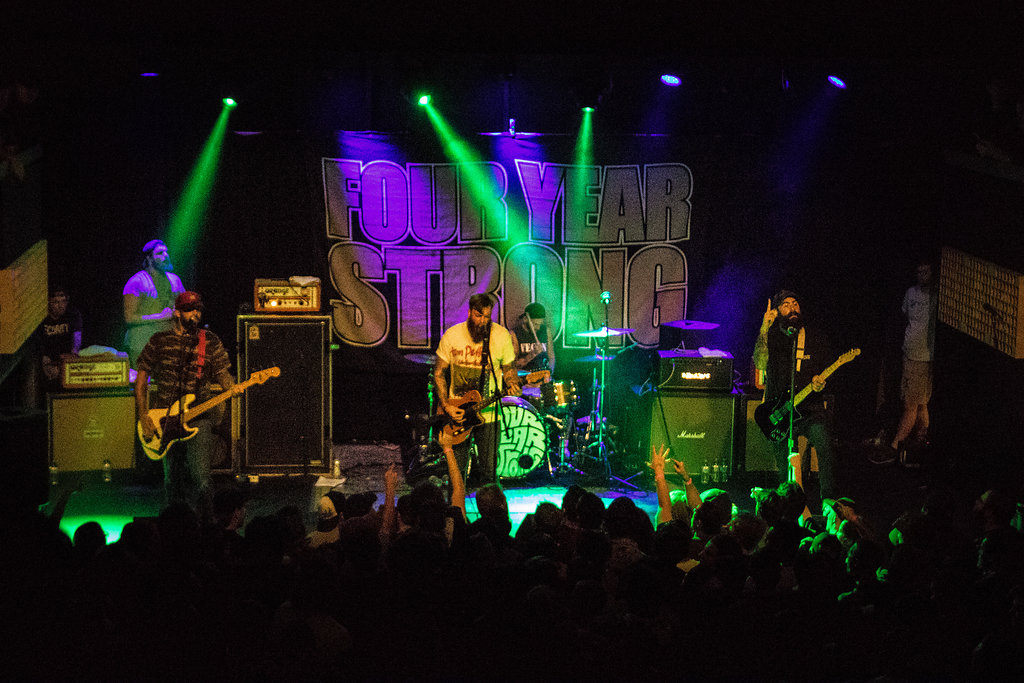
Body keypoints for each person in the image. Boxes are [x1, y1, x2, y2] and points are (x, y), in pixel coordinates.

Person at [135, 291, 236, 515]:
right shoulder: (159, 340)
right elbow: (141, 381)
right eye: (190, 309)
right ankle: (175, 523)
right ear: (177, 313)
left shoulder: (209, 341)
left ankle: (207, 523)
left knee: (201, 478)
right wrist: (143, 415)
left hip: (198, 417)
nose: (196, 314)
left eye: (199, 309)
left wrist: (235, 388)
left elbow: (223, 376)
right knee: (172, 479)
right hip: (165, 419)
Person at [752, 290, 839, 504]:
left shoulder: (815, 337)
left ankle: (828, 500)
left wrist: (821, 382)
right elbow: (760, 362)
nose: (792, 308)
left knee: (824, 444)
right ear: (777, 311)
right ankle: (787, 502)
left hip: (810, 408)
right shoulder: (771, 336)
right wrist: (764, 327)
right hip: (780, 410)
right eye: (786, 305)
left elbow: (827, 370)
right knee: (784, 462)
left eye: (795, 304)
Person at [434, 293, 520, 486]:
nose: (482, 321)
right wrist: (446, 406)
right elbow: (438, 373)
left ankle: (491, 506)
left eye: (486, 317)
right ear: (469, 312)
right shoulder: (452, 335)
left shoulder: (501, 336)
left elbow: (509, 369)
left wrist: (512, 382)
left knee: (489, 473)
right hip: (458, 414)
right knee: (456, 473)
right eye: (478, 315)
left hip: (489, 415)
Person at [873, 260, 937, 464]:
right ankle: (921, 440)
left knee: (911, 405)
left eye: (926, 271)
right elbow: (906, 315)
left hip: (923, 357)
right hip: (909, 353)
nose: (922, 275)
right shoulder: (910, 293)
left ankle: (895, 446)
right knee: (920, 403)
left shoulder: (936, 295)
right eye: (919, 272)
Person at [123, 239, 186, 369]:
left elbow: (186, 307)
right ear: (149, 257)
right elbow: (129, 318)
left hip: (169, 345)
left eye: (166, 252)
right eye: (160, 253)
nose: (166, 256)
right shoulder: (136, 282)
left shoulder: (175, 280)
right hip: (142, 345)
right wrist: (160, 317)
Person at [37, 286, 82, 393]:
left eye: (63, 301)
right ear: (48, 302)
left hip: (67, 356)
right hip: (48, 358)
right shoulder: (41, 318)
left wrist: (74, 352)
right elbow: (39, 344)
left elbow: (77, 335)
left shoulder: (72, 314)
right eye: (56, 302)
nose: (61, 306)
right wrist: (46, 361)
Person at [509, 302, 556, 374]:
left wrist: (550, 373)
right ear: (525, 319)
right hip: (524, 377)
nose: (538, 328)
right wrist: (533, 354)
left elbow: (551, 357)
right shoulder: (514, 334)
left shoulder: (546, 331)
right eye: (535, 324)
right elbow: (513, 365)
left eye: (540, 324)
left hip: (543, 376)